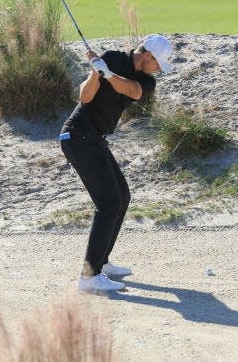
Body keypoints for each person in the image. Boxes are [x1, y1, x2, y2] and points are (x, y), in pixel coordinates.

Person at [59, 33, 174, 293]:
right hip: (77, 136)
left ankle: (102, 261)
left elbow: (130, 89)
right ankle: (89, 276)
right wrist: (95, 74)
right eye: (157, 63)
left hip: (95, 139)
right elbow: (85, 98)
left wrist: (108, 74)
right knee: (109, 203)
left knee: (121, 196)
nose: (158, 69)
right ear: (147, 55)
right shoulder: (111, 59)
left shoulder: (146, 80)